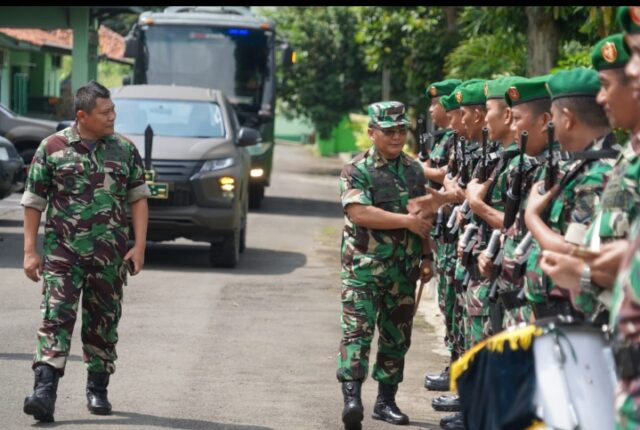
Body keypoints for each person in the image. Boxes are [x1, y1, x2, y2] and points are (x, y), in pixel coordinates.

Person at [21, 80, 150, 422]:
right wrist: (30, 251)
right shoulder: (52, 148)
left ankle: (98, 389)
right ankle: (44, 392)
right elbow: (34, 201)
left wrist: (139, 245)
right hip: (63, 256)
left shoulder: (124, 150)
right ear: (82, 115)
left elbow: (138, 198)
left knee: (103, 324)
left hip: (109, 258)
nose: (112, 117)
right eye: (105, 112)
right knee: (55, 319)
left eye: (113, 110)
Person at [337, 101, 431, 429]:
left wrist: (427, 257)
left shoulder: (413, 170)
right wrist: (406, 221)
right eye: (389, 131)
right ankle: (351, 399)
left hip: (402, 271)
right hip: (363, 269)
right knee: (358, 332)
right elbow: (360, 213)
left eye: (401, 130)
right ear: (372, 132)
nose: (397, 136)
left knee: (396, 336)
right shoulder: (356, 170)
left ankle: (385, 401)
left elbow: (424, 218)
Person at [523, 67, 617, 321]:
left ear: (567, 118)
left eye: (552, 116)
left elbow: (573, 251)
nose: (550, 125)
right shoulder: (581, 165)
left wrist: (531, 216)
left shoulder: (598, 173)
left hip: (582, 318)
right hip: (561, 313)